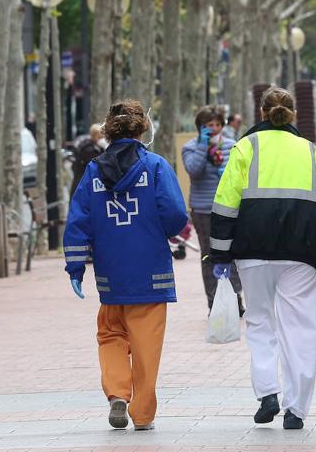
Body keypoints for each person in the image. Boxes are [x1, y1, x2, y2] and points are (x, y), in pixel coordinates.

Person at [209, 87, 316, 430]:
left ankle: (268, 392)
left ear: (262, 111)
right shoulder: (313, 153)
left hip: (252, 250)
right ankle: (296, 409)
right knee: (299, 328)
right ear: (293, 112)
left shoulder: (245, 148)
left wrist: (220, 255)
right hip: (302, 252)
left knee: (259, 321)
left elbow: (225, 203)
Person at [63, 100, 188, 431]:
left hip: (111, 275)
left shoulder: (92, 171)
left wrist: (76, 267)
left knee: (111, 335)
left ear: (109, 129)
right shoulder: (157, 167)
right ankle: (143, 413)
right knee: (146, 347)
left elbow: (78, 220)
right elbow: (175, 215)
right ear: (141, 128)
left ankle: (118, 393)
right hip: (151, 274)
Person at [181, 106, 244, 314]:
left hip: (228, 208)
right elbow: (194, 170)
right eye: (209, 125)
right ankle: (214, 302)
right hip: (203, 210)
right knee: (209, 256)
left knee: (232, 254)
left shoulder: (231, 146)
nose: (215, 129)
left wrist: (226, 173)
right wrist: (202, 146)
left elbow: (238, 175)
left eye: (218, 124)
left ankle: (235, 300)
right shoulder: (190, 147)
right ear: (201, 127)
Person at [70, 123, 107, 198]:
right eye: (99, 137)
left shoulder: (98, 148)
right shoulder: (88, 150)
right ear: (93, 136)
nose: (102, 139)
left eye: (103, 137)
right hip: (83, 185)